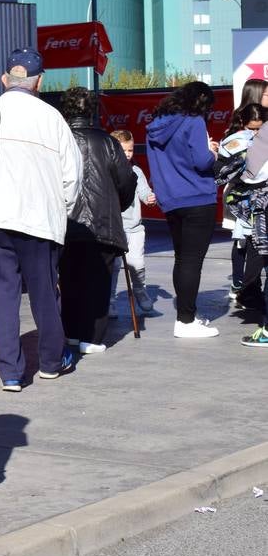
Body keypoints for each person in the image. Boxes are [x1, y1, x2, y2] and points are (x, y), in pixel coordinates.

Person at [0, 49, 80, 391]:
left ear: (4, 79)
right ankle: (52, 361)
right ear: (40, 81)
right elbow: (73, 176)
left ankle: (10, 371)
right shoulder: (52, 117)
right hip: (40, 221)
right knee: (44, 292)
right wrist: (62, 211)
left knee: (2, 295)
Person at [57, 88, 136, 354]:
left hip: (65, 222)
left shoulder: (58, 140)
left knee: (68, 278)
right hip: (103, 220)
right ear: (92, 111)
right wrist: (117, 204)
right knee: (98, 280)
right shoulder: (108, 142)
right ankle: (91, 337)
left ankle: (70, 332)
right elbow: (125, 182)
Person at [145, 81, 220, 337]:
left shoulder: (156, 124)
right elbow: (201, 161)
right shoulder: (194, 121)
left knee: (182, 259)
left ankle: (186, 316)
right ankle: (185, 321)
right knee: (191, 261)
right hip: (197, 197)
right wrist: (212, 153)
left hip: (171, 199)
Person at [108, 129, 158, 318]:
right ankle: (109, 301)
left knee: (136, 263)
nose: (127, 155)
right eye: (123, 151)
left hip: (134, 228)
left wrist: (149, 197)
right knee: (112, 267)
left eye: (130, 151)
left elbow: (144, 190)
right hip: (114, 228)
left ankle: (140, 290)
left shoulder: (135, 170)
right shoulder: (108, 171)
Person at [224, 103, 267, 313]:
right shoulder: (234, 140)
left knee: (257, 248)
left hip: (262, 202)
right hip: (242, 202)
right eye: (252, 128)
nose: (256, 132)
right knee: (243, 244)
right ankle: (245, 287)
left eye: (260, 128)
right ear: (243, 124)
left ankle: (251, 291)